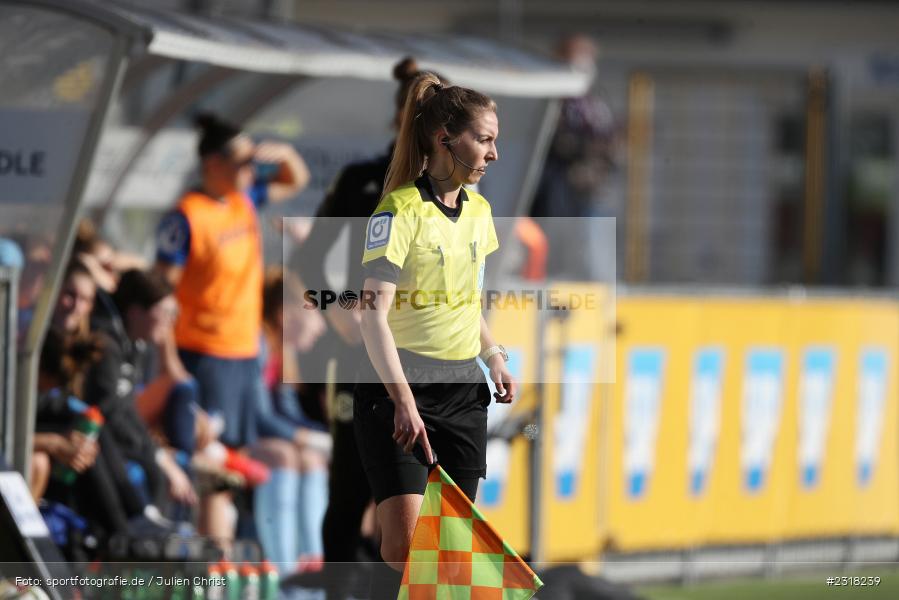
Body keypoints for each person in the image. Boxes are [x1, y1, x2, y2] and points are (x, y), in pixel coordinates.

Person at [353, 71, 517, 599]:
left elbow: (468, 304)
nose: (493, 153)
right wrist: (403, 402)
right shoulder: (400, 209)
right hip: (398, 389)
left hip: (461, 392)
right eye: (485, 139)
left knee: (450, 551)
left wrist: (492, 355)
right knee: (403, 548)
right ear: (447, 138)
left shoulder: (481, 212)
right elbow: (370, 315)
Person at [288, 56, 426, 599]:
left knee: (417, 495)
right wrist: (342, 315)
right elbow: (306, 264)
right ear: (398, 119)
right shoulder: (361, 181)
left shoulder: (456, 197)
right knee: (350, 486)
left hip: (428, 363)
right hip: (358, 362)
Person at [153, 112, 311, 543]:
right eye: (242, 162)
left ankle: (225, 565)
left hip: (243, 354)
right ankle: (212, 570)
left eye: (252, 163)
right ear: (213, 164)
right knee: (213, 465)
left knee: (235, 464)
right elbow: (159, 295)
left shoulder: (244, 199)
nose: (251, 170)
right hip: (204, 354)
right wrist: (170, 364)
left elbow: (294, 178)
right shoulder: (187, 216)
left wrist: (282, 152)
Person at [251, 269, 332, 575]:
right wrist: (308, 438)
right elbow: (259, 418)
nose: (320, 326)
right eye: (312, 312)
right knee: (286, 454)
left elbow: (287, 414)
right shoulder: (259, 343)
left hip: (261, 437)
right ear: (285, 314)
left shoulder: (282, 352)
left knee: (312, 458)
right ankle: (283, 573)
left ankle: (312, 563)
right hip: (241, 436)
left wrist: (325, 438)